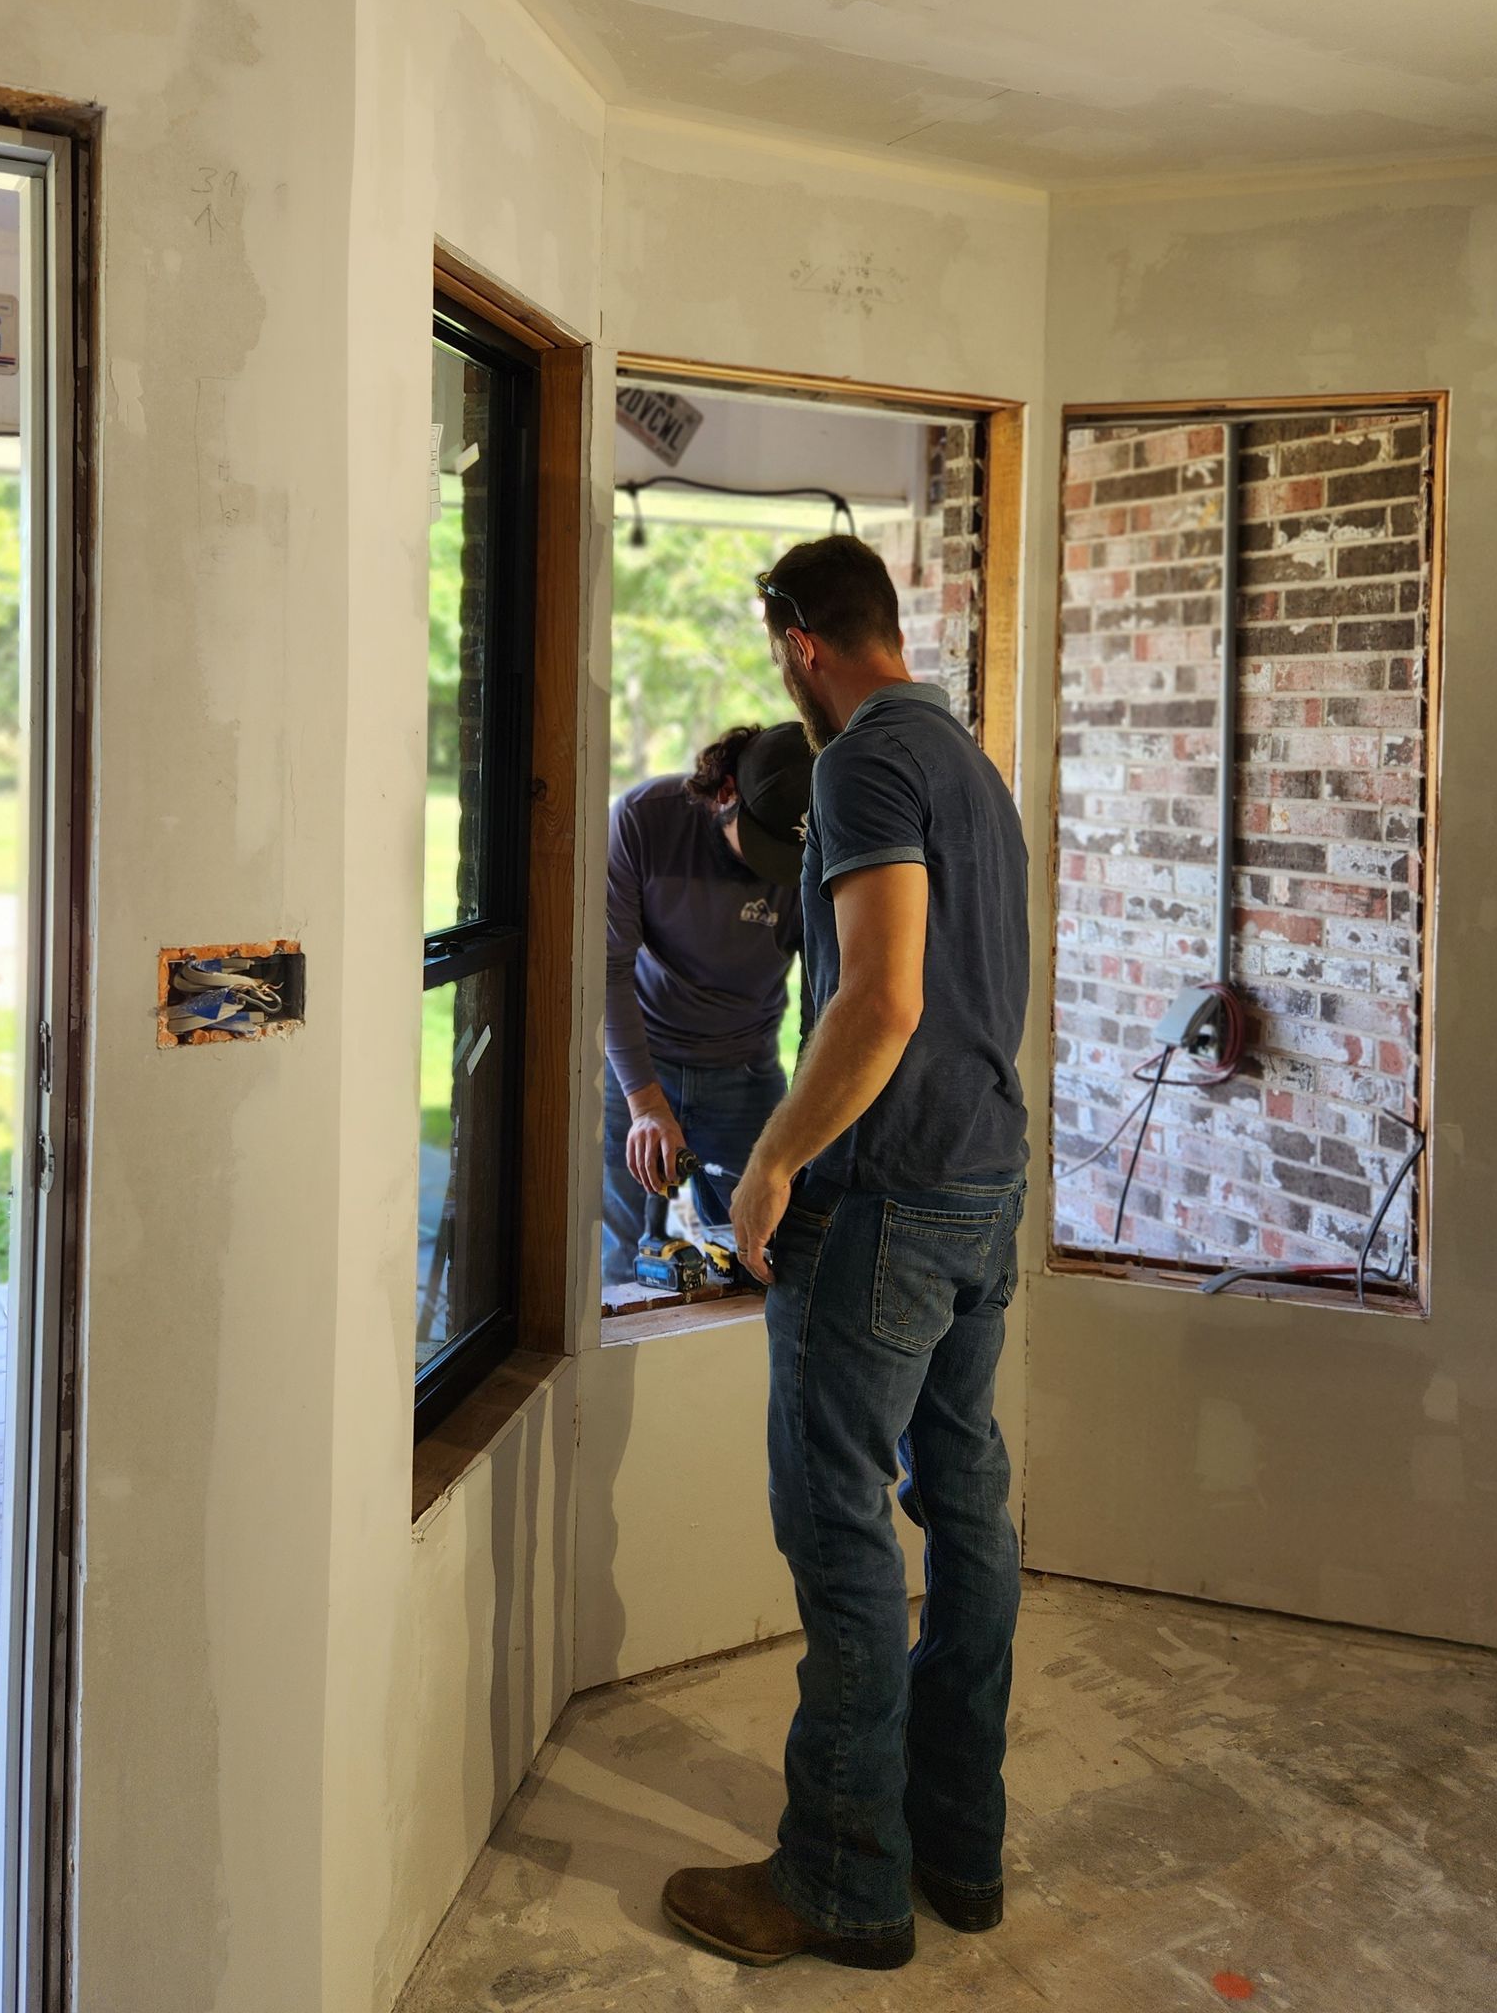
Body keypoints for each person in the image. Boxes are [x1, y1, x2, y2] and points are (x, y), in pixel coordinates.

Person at [661, 534, 1030, 1973]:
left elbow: (876, 1001)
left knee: (840, 1528)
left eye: (776, 654)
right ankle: (959, 1847)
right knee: (970, 1514)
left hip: (884, 1204)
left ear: (798, 641)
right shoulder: (968, 765)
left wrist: (769, 1163)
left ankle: (841, 1879)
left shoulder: (864, 762)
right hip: (981, 1186)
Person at [603, 722, 813, 1288]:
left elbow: (828, 995)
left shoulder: (813, 851)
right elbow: (607, 967)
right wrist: (646, 1104)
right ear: (725, 793)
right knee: (617, 1266)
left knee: (759, 1256)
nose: (778, 871)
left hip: (744, 1071)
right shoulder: (644, 819)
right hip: (636, 1064)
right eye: (766, 845)